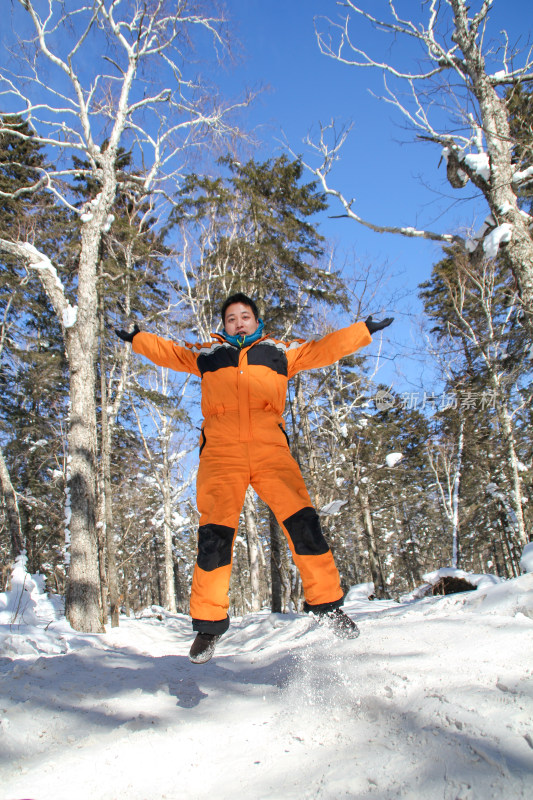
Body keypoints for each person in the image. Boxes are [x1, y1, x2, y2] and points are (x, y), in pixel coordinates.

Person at [116, 293, 393, 663]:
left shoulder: (280, 352)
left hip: (270, 451)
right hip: (221, 454)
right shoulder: (209, 355)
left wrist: (363, 330)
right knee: (215, 536)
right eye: (231, 318)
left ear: (256, 321)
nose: (238, 322)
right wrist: (138, 338)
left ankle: (327, 604)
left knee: (303, 523)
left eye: (245, 316)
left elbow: (324, 348)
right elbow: (169, 351)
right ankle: (208, 625)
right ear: (224, 326)